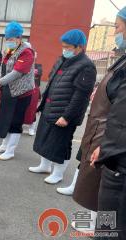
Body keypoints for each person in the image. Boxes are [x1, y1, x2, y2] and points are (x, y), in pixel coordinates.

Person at [28, 29, 96, 184]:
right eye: (63, 46)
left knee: (60, 145)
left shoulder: (86, 66)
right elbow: (51, 82)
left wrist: (67, 116)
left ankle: (58, 174)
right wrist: (42, 105)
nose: (64, 50)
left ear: (79, 47)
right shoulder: (62, 60)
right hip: (50, 108)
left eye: (68, 47)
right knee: (44, 139)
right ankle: (44, 166)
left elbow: (81, 96)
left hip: (65, 113)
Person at [87, 7, 126, 239]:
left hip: (119, 166)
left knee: (110, 230)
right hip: (116, 154)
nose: (115, 32)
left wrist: (106, 151)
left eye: (118, 27)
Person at [0, 21, 35, 161]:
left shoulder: (27, 53)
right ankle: (4, 145)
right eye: (7, 39)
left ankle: (10, 150)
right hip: (8, 90)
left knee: (15, 121)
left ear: (19, 38)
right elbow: (2, 69)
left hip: (21, 93)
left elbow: (16, 73)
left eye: (12, 39)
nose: (9, 41)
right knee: (5, 118)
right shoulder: (8, 51)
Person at [24, 51, 42, 136]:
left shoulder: (38, 67)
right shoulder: (23, 64)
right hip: (24, 89)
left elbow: (38, 76)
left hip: (34, 90)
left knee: (32, 110)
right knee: (23, 108)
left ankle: (32, 128)